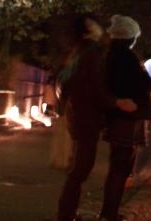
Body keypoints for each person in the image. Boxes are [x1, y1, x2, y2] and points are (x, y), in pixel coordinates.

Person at [55, 13, 136, 221]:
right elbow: (94, 88)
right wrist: (117, 102)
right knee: (81, 168)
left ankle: (67, 213)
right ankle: (65, 214)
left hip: (78, 114)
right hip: (86, 116)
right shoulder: (91, 52)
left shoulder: (79, 52)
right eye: (93, 25)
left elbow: (68, 83)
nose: (100, 28)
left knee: (79, 167)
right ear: (87, 31)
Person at [100, 15, 151, 221]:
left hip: (117, 117)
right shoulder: (126, 58)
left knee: (118, 165)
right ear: (130, 37)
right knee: (121, 167)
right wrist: (149, 72)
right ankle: (110, 214)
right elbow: (148, 84)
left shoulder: (110, 56)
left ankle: (109, 212)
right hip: (128, 117)